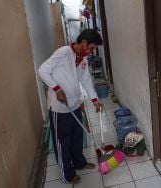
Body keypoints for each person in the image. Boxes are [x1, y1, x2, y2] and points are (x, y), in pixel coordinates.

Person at [38, 29, 103, 184]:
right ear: (84, 43)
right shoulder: (64, 53)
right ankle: (67, 174)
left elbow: (86, 80)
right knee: (63, 142)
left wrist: (95, 100)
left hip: (74, 104)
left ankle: (79, 163)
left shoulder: (83, 59)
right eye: (92, 47)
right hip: (60, 108)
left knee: (76, 137)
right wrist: (57, 89)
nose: (92, 51)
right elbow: (42, 70)